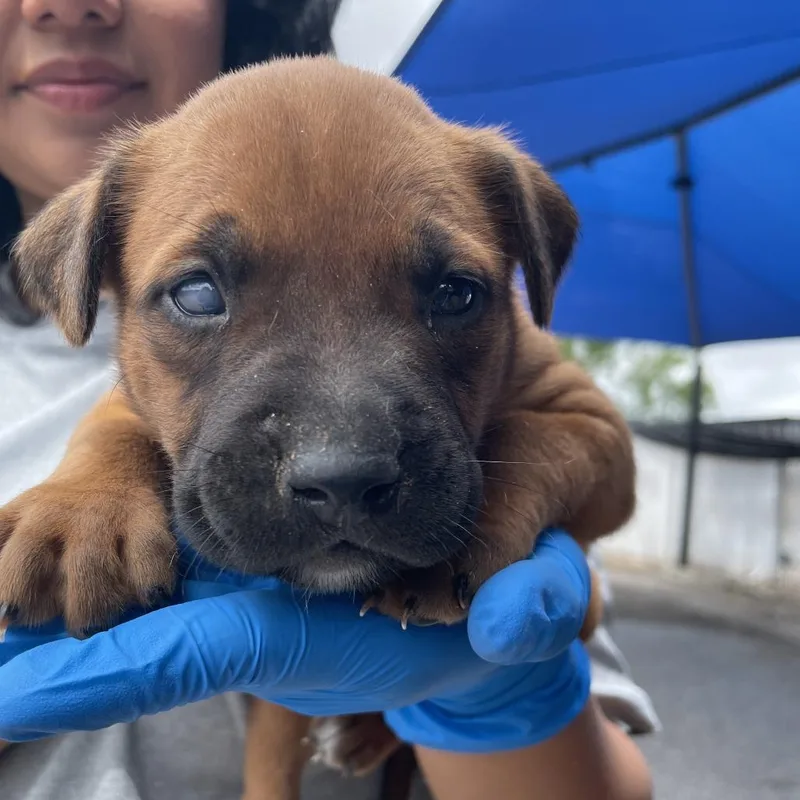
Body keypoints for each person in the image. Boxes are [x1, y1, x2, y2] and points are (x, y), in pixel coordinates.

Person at [0, 3, 658, 799]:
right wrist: (97, 477)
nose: (337, 455)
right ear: (94, 288)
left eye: (451, 295)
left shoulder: (504, 354)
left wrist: (494, 700)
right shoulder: (125, 350)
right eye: (199, 295)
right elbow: (124, 410)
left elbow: (592, 437)